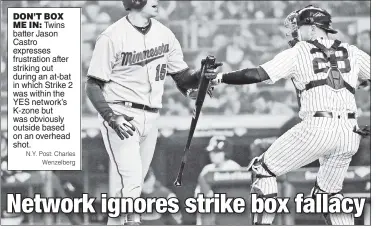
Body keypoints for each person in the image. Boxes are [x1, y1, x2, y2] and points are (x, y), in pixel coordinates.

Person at [210, 5, 370, 225]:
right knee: (328, 196)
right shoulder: (352, 51)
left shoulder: (300, 51)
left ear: (313, 29)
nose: (297, 32)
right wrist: (361, 82)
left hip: (318, 127)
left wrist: (219, 78)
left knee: (262, 169)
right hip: (350, 133)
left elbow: (257, 74)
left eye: (301, 27)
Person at [85, 0, 218, 225]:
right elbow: (92, 85)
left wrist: (198, 77)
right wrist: (110, 116)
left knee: (128, 185)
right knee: (133, 180)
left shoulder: (165, 35)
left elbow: (181, 76)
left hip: (152, 117)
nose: (156, 2)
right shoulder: (112, 36)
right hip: (121, 112)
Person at [194, 136, 241, 225]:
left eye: (216, 152)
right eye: (211, 152)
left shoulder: (233, 168)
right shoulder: (207, 169)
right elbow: (198, 196)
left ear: (225, 153)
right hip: (211, 215)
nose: (212, 154)